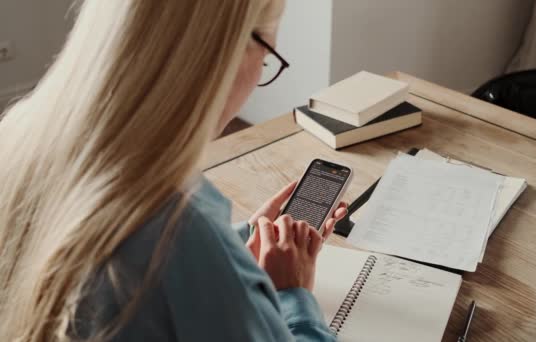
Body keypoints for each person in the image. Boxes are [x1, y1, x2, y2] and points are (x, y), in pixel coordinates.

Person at [0, 1, 347, 341]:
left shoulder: (19, 136)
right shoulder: (179, 233)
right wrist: (292, 295)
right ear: (225, 53)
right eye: (267, 57)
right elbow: (173, 254)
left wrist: (234, 244)